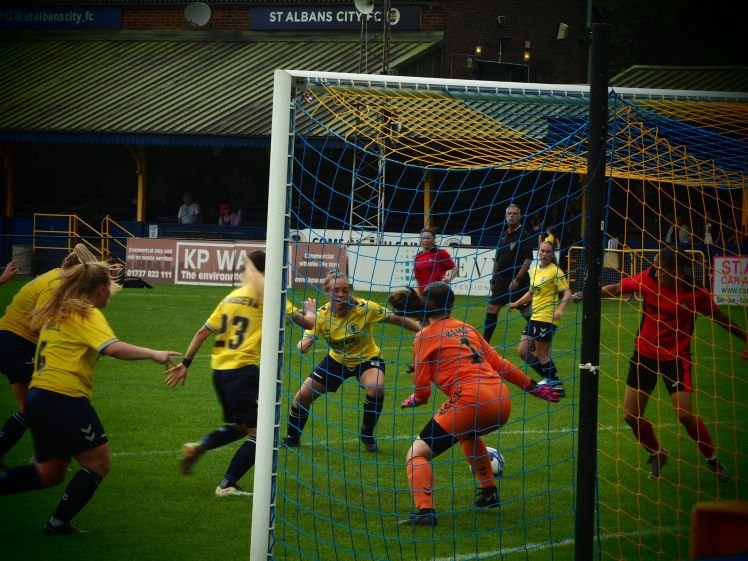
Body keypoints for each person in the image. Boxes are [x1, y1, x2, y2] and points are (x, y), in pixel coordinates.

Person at [0, 261, 179, 534]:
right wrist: (155, 354)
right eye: (110, 287)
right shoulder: (86, 313)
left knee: (51, 472)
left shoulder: (57, 309)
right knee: (99, 463)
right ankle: (57, 524)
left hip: (39, 397)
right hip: (64, 398)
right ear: (99, 288)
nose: (111, 293)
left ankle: (56, 523)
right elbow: (113, 348)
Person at [393, 283, 562, 526]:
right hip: (501, 399)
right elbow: (499, 363)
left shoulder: (424, 337)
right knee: (468, 434)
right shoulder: (466, 327)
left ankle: (425, 512)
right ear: (451, 304)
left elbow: (422, 391)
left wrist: (415, 400)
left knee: (416, 454)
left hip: (471, 400)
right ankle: (489, 492)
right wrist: (533, 387)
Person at [165, 250, 315, 496]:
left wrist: (185, 364)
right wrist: (310, 309)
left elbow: (203, 332)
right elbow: (309, 324)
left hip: (220, 371)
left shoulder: (232, 297)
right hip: (244, 371)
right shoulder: (269, 296)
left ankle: (199, 447)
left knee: (242, 426)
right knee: (263, 433)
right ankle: (227, 485)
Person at [601, 245, 748, 482]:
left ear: (677, 271)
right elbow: (619, 288)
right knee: (631, 417)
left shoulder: (696, 294)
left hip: (676, 359)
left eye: (662, 269)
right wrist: (592, 293)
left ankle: (714, 462)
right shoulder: (648, 278)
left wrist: (745, 338)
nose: (656, 272)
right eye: (656, 266)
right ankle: (657, 453)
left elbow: (720, 318)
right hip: (645, 355)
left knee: (684, 415)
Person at [284, 271, 421, 452]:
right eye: (336, 290)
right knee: (301, 398)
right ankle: (292, 438)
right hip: (336, 361)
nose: (341, 294)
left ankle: (367, 432)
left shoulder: (364, 307)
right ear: (327, 292)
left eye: (345, 290)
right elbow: (302, 346)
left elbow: (396, 319)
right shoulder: (321, 315)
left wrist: (422, 332)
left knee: (376, 387)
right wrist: (306, 335)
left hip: (367, 359)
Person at [0, 245, 98, 467]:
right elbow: (37, 322)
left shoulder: (56, 277)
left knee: (30, 407)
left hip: (11, 341)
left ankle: (38, 454)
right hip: (16, 342)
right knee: (41, 403)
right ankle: (44, 456)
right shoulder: (56, 284)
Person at [509, 240, 574, 395]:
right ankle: (549, 378)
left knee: (541, 355)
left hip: (547, 317)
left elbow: (567, 293)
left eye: (548, 252)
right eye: (542, 251)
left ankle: (555, 383)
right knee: (523, 352)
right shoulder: (536, 270)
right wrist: (516, 303)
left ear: (552, 255)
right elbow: (531, 293)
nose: (544, 254)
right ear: (538, 252)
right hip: (535, 316)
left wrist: (560, 309)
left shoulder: (555, 271)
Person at [483, 203, 534, 345]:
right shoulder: (503, 236)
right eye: (509, 214)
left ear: (520, 216)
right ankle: (485, 343)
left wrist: (518, 279)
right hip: (502, 280)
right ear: (506, 217)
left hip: (519, 281)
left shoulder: (524, 235)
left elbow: (528, 259)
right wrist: (494, 279)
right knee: (492, 308)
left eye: (515, 213)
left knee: (527, 312)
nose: (512, 216)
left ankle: (537, 336)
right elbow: (498, 259)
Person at [412, 228, 457, 296]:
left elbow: (455, 268)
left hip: (437, 293)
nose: (425, 240)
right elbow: (417, 279)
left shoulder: (441, 254)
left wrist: (449, 278)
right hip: (423, 294)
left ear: (433, 239)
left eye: (428, 238)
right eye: (423, 238)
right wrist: (419, 296)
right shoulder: (417, 257)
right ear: (420, 240)